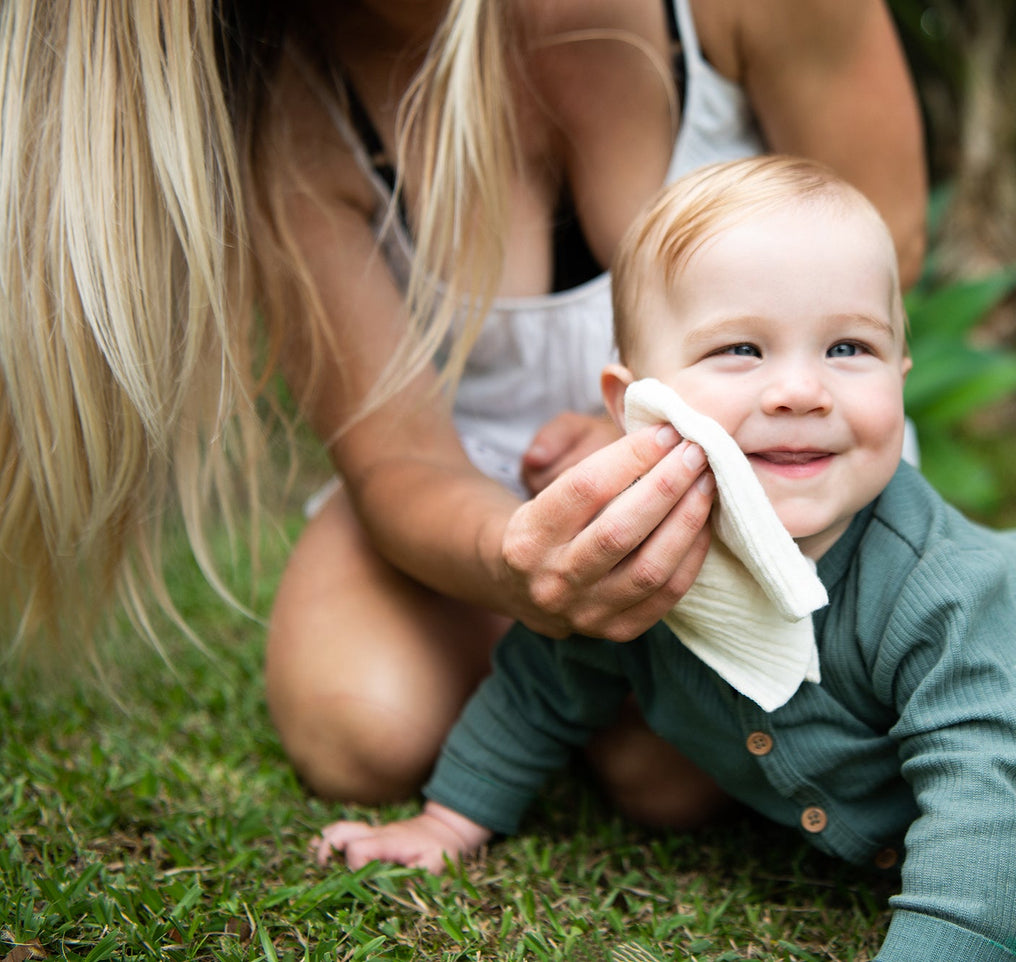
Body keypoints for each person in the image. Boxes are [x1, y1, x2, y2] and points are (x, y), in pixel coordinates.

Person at [315, 157, 1016, 961]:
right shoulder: (643, 549)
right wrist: (448, 822)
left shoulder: (936, 586)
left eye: (849, 348)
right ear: (634, 398)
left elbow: (986, 781)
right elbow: (543, 679)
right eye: (739, 348)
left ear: (900, 375)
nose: (801, 390)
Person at [0, 0, 926, 821]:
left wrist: (652, 445)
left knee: (670, 778)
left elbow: (879, 253)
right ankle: (557, 660)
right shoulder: (294, 96)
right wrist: (521, 561)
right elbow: (398, 457)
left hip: (762, 456)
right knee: (356, 726)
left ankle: (578, 686)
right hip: (473, 467)